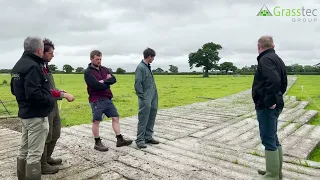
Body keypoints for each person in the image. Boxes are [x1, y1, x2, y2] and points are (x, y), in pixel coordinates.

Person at [10, 36, 54, 180]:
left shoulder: (19, 65)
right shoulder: (34, 66)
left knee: (23, 150)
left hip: (24, 113)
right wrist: (49, 101)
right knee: (35, 154)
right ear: (39, 50)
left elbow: (13, 89)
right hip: (36, 116)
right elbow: (33, 93)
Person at [252, 35, 287, 180]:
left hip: (268, 106)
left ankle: (271, 176)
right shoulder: (277, 59)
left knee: (268, 138)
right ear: (273, 46)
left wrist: (269, 100)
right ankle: (275, 172)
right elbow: (283, 82)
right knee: (273, 136)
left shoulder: (265, 59)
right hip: (275, 103)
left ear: (259, 46)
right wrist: (277, 97)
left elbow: (274, 80)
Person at [84, 50, 132, 151]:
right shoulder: (88, 72)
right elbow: (96, 86)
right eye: (97, 59)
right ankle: (97, 142)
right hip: (96, 99)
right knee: (96, 120)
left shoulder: (104, 69)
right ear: (91, 59)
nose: (99, 61)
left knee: (115, 117)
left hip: (107, 98)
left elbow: (113, 79)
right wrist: (106, 82)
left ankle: (120, 139)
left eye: (100, 59)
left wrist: (104, 81)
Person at [40, 38, 75, 174]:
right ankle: (42, 164)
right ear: (42, 52)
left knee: (56, 132)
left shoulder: (46, 67)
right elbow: (44, 90)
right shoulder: (38, 68)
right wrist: (63, 95)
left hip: (53, 105)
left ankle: (48, 158)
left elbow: (51, 87)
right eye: (51, 53)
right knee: (46, 135)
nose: (53, 55)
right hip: (46, 106)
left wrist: (60, 91)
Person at [134, 48, 159, 149]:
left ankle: (148, 136)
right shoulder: (140, 67)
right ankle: (140, 139)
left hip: (153, 94)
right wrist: (142, 96)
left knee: (152, 114)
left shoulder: (148, 66)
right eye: (153, 57)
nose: (153, 59)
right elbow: (137, 83)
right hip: (146, 95)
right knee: (144, 116)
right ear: (149, 56)